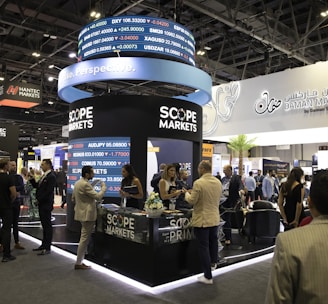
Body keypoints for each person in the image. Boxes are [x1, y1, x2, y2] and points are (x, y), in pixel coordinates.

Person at [265, 169, 328, 303]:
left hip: (288, 215)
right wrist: (296, 219)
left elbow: (278, 298)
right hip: (296, 217)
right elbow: (299, 205)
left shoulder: (287, 242)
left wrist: (285, 217)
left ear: (310, 203)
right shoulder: (299, 187)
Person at [184, 161, 222, 284]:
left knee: (203, 247)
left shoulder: (198, 183)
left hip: (202, 220)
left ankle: (207, 276)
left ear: (202, 169)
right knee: (213, 243)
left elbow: (192, 201)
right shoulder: (218, 182)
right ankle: (212, 265)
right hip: (214, 218)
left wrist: (186, 194)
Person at [73, 165, 107, 270]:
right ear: (87, 174)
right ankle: (79, 262)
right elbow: (97, 196)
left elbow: (73, 198)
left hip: (81, 213)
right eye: (92, 173)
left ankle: (81, 259)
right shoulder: (84, 185)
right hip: (87, 215)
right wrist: (103, 188)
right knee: (84, 239)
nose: (94, 174)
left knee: (84, 237)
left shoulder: (78, 183)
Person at [31, 159, 56, 255]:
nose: (41, 166)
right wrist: (32, 178)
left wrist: (39, 199)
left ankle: (47, 246)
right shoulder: (44, 175)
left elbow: (48, 191)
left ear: (48, 165)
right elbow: (38, 187)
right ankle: (44, 244)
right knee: (44, 225)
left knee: (47, 225)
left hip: (46, 204)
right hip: (42, 204)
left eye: (43, 164)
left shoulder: (51, 176)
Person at [220, 164, 243, 245]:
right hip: (220, 200)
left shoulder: (235, 178)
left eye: (225, 170)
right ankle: (222, 235)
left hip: (229, 200)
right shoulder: (222, 179)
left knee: (227, 219)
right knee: (221, 219)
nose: (223, 171)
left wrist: (241, 191)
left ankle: (228, 237)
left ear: (230, 170)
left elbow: (240, 186)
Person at [0, 159, 17, 262]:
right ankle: (6, 254)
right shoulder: (8, 178)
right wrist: (10, 200)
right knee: (6, 229)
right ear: (5, 166)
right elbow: (14, 193)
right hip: (6, 206)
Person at [8, 161, 25, 249]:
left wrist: (12, 189)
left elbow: (21, 187)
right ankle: (3, 244)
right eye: (12, 165)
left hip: (16, 202)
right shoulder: (6, 177)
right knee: (6, 224)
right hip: (7, 203)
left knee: (15, 223)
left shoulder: (18, 177)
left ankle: (17, 242)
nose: (14, 167)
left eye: (15, 165)